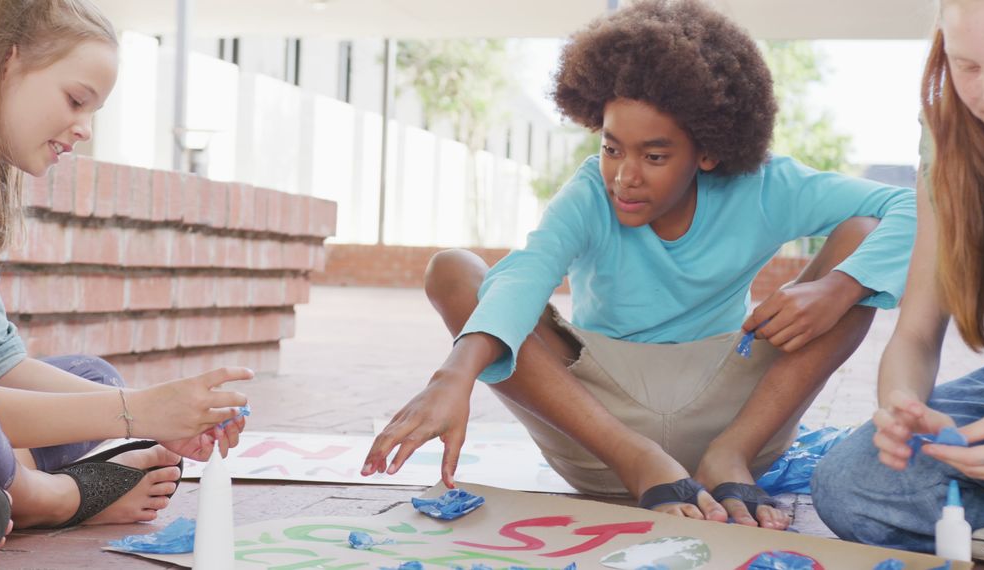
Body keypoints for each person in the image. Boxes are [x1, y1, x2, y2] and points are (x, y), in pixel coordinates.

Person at [364, 0, 916, 530]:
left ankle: (730, 455)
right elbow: (528, 271)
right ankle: (641, 461)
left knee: (862, 239)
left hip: (733, 414)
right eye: (612, 149)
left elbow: (915, 207)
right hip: (602, 435)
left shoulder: (766, 186)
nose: (625, 176)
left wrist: (839, 289)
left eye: (654, 156)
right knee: (453, 270)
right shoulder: (589, 193)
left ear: (708, 151)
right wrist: (454, 375)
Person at [0, 0, 251, 549]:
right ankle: (49, 498)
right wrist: (138, 413)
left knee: (95, 378)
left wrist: (154, 414)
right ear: (6, 63)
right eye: (76, 100)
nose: (85, 129)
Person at [811, 0, 984, 565]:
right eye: (969, 66)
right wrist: (900, 412)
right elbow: (914, 335)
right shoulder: (951, 136)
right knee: (851, 487)